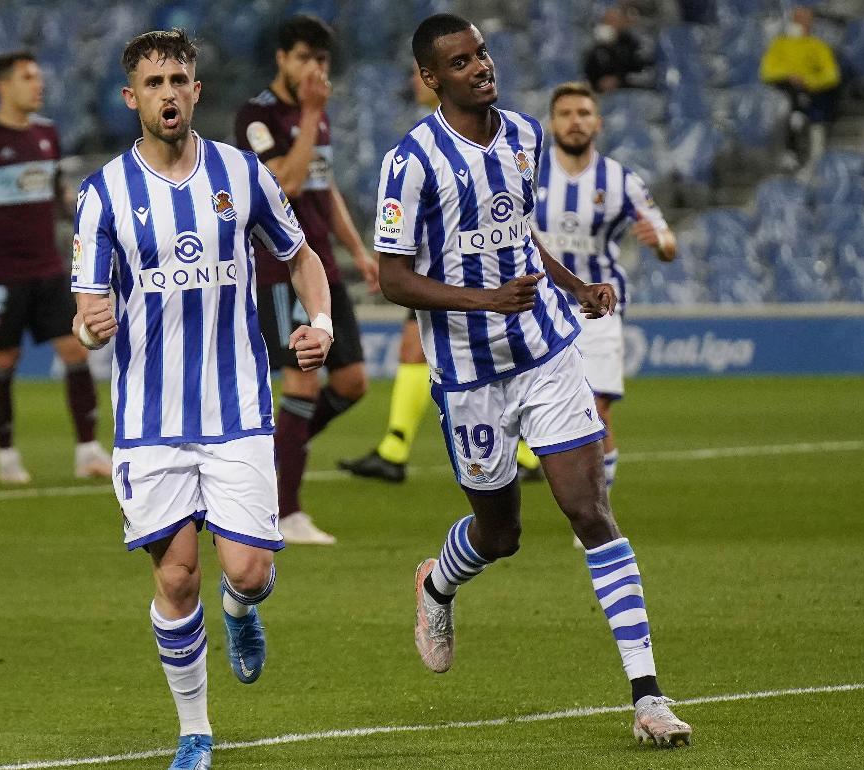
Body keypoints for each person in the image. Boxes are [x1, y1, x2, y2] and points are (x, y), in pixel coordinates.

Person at [376, 14, 692, 748]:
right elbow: (393, 278)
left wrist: (573, 284)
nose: (481, 67)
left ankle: (648, 696)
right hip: (468, 376)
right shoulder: (413, 162)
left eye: (482, 53)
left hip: (546, 350)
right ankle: (438, 584)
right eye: (461, 61)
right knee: (501, 532)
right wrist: (483, 300)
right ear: (433, 78)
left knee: (590, 510)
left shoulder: (524, 135)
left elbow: (518, 233)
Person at [71, 29, 332, 769]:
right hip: (150, 422)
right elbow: (88, 312)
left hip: (237, 409)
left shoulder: (241, 174)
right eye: (152, 83)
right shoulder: (103, 196)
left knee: (246, 570)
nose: (167, 93)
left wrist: (321, 322)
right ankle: (195, 731)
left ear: (196, 91)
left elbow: (301, 254)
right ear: (133, 98)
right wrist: (92, 330)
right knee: (177, 574)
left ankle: (242, 608)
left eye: (178, 79)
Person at [339, 65, 543, 484]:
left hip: (474, 275)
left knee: (498, 354)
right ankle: (395, 448)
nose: (413, 81)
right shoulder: (422, 141)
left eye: (419, 74)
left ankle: (524, 451)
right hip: (438, 272)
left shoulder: (491, 135)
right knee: (413, 346)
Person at [0, 50, 112, 484]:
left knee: (74, 350)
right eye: (29, 77)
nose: (38, 85)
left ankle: (87, 451)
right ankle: (7, 457)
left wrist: (90, 224)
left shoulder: (47, 134)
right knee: (3, 359)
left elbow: (59, 193)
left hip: (48, 268)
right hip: (1, 274)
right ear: (3, 86)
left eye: (38, 76)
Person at [234, 15, 377, 545]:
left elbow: (324, 186)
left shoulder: (316, 117)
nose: (313, 69)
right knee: (300, 382)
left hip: (324, 267)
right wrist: (313, 112)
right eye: (303, 58)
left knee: (352, 382)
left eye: (321, 60)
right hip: (281, 268)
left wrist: (360, 251)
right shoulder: (257, 116)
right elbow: (286, 185)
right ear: (281, 58)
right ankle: (285, 511)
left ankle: (272, 459)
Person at [533, 81, 676, 505]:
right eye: (565, 114)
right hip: (535, 306)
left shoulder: (621, 180)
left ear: (598, 122)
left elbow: (668, 241)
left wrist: (661, 241)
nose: (575, 122)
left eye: (583, 114)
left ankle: (594, 514)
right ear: (552, 123)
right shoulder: (530, 174)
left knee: (596, 410)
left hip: (597, 309)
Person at [759, 5, 840, 169]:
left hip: (812, 92)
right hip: (784, 89)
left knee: (811, 103)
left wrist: (808, 81)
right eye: (800, 19)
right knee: (787, 99)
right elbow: (767, 71)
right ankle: (791, 143)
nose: (804, 24)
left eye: (807, 20)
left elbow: (832, 75)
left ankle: (814, 156)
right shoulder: (779, 45)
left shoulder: (818, 46)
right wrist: (789, 75)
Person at [583, 6, 656, 94]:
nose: (609, 25)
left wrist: (620, 80)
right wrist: (599, 85)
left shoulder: (633, 45)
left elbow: (646, 75)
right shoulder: (596, 51)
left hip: (632, 95)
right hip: (604, 98)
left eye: (613, 21)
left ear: (622, 22)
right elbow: (588, 77)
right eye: (606, 21)